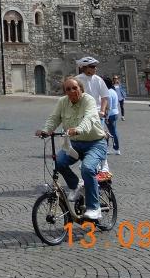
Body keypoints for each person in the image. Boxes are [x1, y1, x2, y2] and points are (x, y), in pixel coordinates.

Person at [35, 76, 108, 220]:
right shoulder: (62, 102)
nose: (72, 91)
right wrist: (45, 130)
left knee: (87, 169)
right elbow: (54, 118)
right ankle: (75, 186)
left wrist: (79, 129)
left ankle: (95, 208)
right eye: (68, 89)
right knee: (59, 163)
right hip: (73, 144)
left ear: (81, 89)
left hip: (95, 143)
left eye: (75, 88)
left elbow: (90, 118)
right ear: (65, 92)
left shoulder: (88, 100)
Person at [102, 75, 121, 154]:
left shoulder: (108, 92)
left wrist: (107, 117)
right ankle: (115, 148)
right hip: (115, 112)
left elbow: (108, 106)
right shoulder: (113, 91)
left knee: (112, 132)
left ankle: (116, 148)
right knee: (113, 131)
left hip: (111, 114)